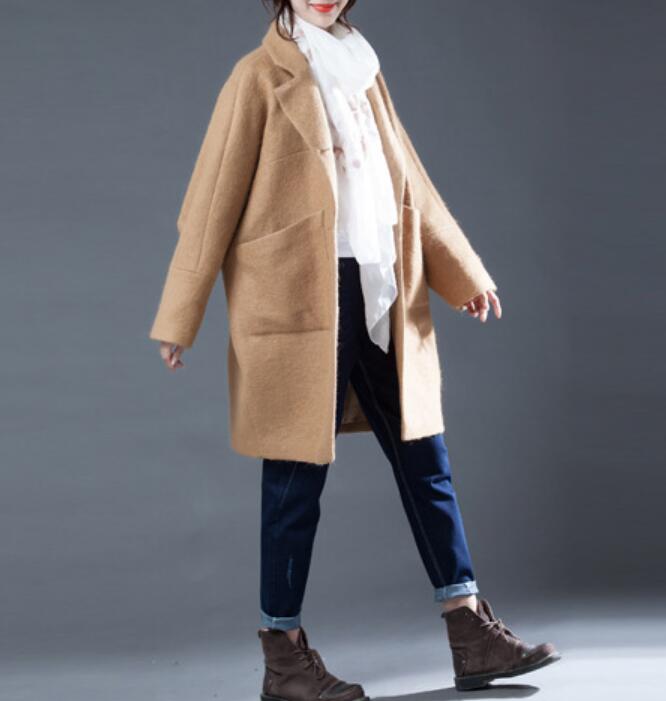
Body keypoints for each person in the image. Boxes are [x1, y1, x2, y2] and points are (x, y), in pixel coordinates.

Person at [148, 1, 561, 698]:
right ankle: (283, 656)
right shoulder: (256, 77)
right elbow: (212, 197)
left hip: (379, 283)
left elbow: (408, 177)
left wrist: (462, 272)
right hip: (297, 294)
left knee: (423, 453)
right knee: (295, 476)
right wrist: (179, 315)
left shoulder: (363, 68)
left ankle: (470, 631)